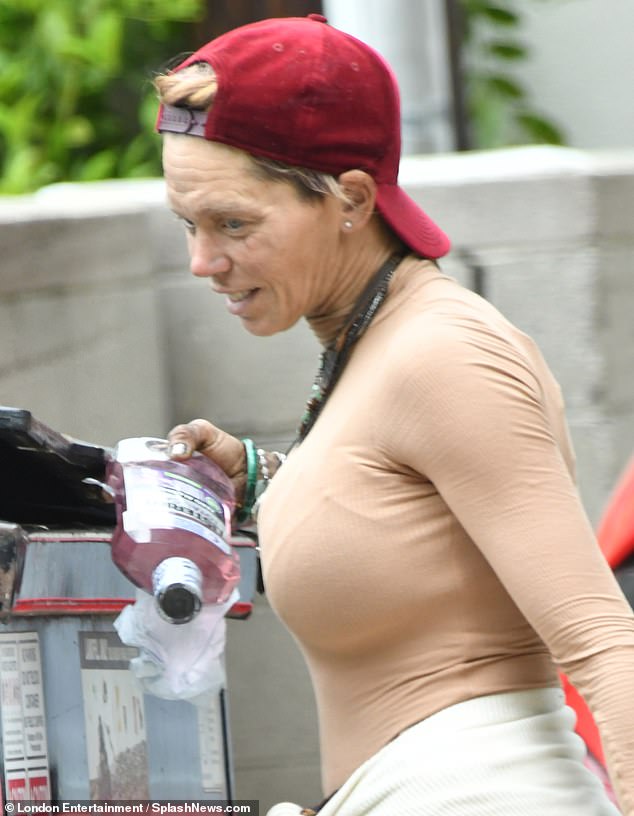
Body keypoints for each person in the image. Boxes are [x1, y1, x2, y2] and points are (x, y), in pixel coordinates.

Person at [154, 14, 634, 816]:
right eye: (189, 225)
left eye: (234, 223)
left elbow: (601, 639)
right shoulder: (376, 344)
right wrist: (265, 478)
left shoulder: (443, 354)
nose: (203, 262)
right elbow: (410, 526)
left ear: (350, 197)